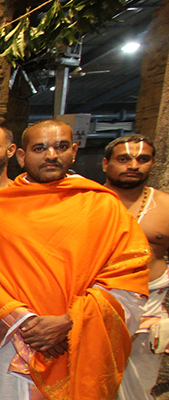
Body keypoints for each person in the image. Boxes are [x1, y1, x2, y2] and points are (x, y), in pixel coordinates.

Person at [0, 119, 149, 400]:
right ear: (21, 156)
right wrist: (24, 321)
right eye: (40, 148)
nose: (51, 155)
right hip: (13, 340)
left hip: (78, 343)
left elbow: (128, 274)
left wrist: (69, 322)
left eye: (60, 147)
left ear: (74, 151)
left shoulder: (104, 206)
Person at [101, 135, 169, 400]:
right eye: (124, 159)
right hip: (98, 305)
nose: (133, 165)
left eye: (143, 159)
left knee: (138, 391)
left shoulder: (165, 206)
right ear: (106, 164)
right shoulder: (85, 202)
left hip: (149, 308)